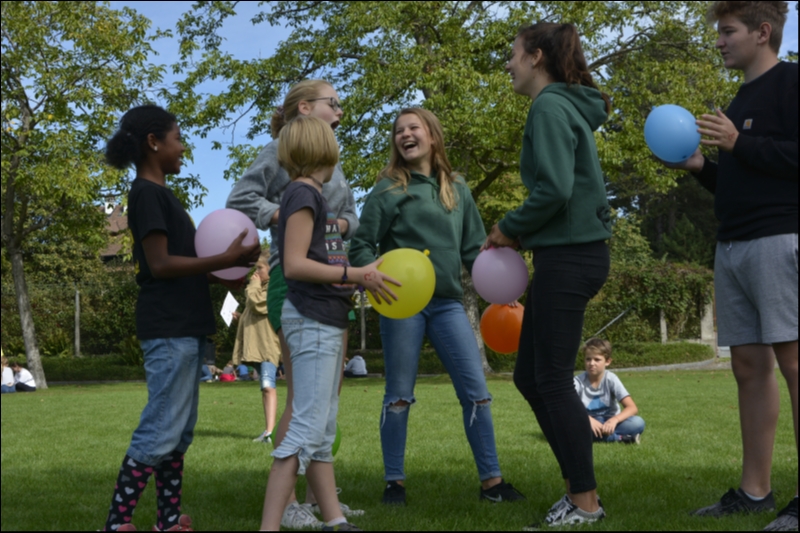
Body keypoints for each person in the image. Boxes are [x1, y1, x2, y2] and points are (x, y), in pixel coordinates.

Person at [657, 2, 797, 529]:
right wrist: (700, 166)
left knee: (795, 365)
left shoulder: (791, 84)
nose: (718, 41)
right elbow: (742, 181)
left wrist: (740, 142)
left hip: (781, 238)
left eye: (728, 31)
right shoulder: (738, 100)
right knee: (748, 368)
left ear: (762, 32)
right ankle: (754, 492)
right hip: (733, 245)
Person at [349, 107, 526, 507]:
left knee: (477, 392)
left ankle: (492, 484)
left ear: (432, 136)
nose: (405, 134)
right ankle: (394, 484)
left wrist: (500, 289)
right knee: (398, 395)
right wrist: (369, 275)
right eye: (398, 130)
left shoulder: (458, 189)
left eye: (413, 127)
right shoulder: (388, 189)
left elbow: (475, 250)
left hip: (447, 304)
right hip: (400, 304)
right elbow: (361, 245)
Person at [100, 104, 260, 532]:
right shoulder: (146, 194)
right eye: (178, 138)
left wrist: (230, 268)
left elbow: (184, 267)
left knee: (179, 431)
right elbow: (160, 265)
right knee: (161, 427)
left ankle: (168, 520)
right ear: (153, 143)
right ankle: (116, 523)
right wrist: (221, 259)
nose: (183, 148)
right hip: (168, 328)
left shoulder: (163, 196)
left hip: (185, 326)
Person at [485, 22, 613, 528]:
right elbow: (563, 191)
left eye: (513, 54)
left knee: (553, 381)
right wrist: (523, 235)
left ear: (536, 57)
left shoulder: (550, 106)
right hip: (565, 254)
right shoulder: (561, 106)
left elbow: (556, 189)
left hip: (571, 256)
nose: (509, 64)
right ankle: (576, 489)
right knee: (529, 376)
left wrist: (509, 227)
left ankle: (586, 502)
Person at [226, 79, 364, 528]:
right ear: (304, 109)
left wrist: (337, 227)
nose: (340, 112)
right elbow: (241, 200)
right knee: (303, 407)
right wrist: (289, 215)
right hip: (301, 287)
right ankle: (283, 508)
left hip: (332, 289)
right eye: (333, 103)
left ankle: (327, 509)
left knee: (323, 407)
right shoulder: (286, 158)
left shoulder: (326, 171)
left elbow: (349, 219)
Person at [260, 114, 397, 532]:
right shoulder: (303, 194)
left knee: (322, 428)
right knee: (303, 429)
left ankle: (334, 520)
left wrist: (361, 272)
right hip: (312, 320)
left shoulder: (313, 195)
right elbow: (295, 264)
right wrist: (357, 275)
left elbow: (323, 259)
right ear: (325, 149)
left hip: (326, 318)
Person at [231, 249, 282, 444]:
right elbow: (255, 313)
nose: (256, 272)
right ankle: (268, 430)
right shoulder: (260, 288)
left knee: (268, 386)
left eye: (260, 268)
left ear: (271, 269)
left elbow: (257, 304)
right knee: (265, 387)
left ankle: (270, 433)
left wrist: (253, 284)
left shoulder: (271, 290)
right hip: (258, 347)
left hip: (267, 348)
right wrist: (240, 317)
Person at [574, 339, 644, 444]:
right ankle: (621, 438)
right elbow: (568, 407)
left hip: (610, 421)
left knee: (638, 422)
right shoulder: (577, 381)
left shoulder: (611, 379)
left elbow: (632, 408)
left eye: (597, 360)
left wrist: (615, 420)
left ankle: (595, 436)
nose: (591, 363)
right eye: (588, 359)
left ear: (607, 361)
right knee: (566, 424)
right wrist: (588, 420)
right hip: (587, 421)